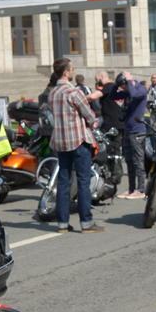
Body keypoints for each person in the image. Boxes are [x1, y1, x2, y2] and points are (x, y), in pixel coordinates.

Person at [47, 59, 106, 233]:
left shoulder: (52, 93)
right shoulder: (74, 92)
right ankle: (86, 222)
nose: (73, 71)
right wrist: (93, 121)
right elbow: (89, 115)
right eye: (72, 69)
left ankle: (62, 223)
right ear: (66, 72)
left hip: (61, 142)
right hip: (78, 141)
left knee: (63, 182)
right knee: (83, 182)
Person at [108, 71, 150, 199]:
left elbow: (134, 94)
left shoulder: (141, 89)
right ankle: (131, 189)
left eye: (124, 87)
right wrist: (117, 84)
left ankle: (141, 189)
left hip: (138, 131)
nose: (123, 90)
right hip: (128, 130)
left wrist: (129, 81)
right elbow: (112, 96)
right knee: (129, 161)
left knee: (138, 161)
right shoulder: (127, 91)